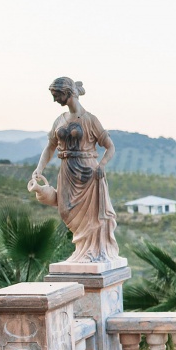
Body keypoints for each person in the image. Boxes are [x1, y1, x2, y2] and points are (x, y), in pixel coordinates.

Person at [30, 77, 120, 264]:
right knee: (65, 210)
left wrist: (102, 165)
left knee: (91, 217)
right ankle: (82, 249)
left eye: (57, 95)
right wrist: (39, 168)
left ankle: (94, 252)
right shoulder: (59, 120)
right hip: (67, 171)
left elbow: (110, 147)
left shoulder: (90, 120)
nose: (55, 100)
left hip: (88, 173)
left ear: (67, 93)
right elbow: (50, 147)